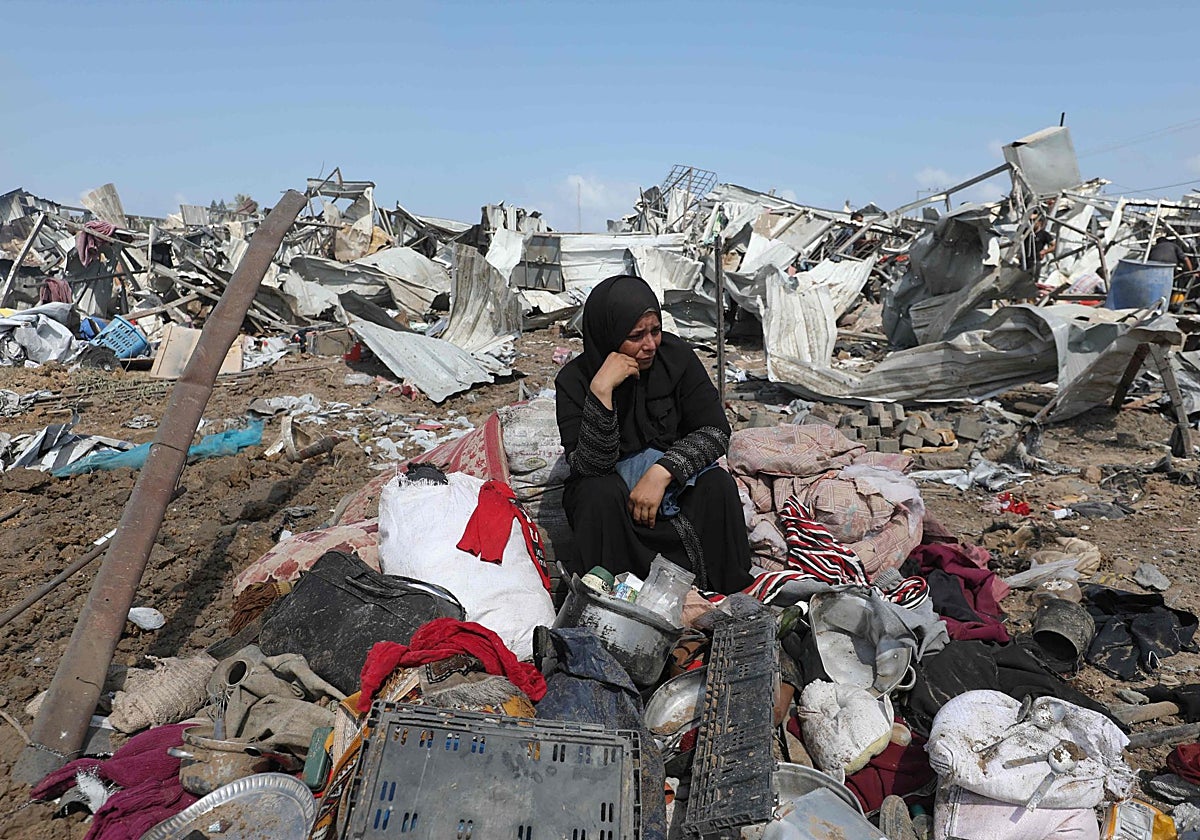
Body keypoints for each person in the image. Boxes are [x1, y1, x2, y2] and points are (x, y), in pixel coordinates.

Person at [555, 275, 753, 594]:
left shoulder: (676, 359)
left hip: (674, 486)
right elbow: (589, 466)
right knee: (595, 495)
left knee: (718, 485)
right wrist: (602, 393)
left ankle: (720, 592)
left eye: (655, 331)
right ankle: (621, 600)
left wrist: (662, 474)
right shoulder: (575, 381)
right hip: (619, 503)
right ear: (607, 336)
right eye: (636, 336)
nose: (650, 345)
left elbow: (715, 430)